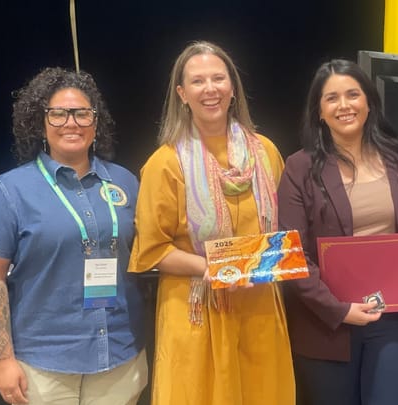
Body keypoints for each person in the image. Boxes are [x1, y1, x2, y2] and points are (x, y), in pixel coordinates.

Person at [128, 41, 294, 404]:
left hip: (259, 306)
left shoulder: (266, 152)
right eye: (198, 81)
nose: (210, 89)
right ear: (182, 94)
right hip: (197, 311)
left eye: (218, 78)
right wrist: (213, 268)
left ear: (233, 88)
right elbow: (152, 250)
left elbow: (281, 234)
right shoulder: (165, 163)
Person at [0, 67, 147, 405]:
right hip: (44, 364)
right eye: (58, 114)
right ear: (41, 123)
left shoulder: (126, 183)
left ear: (96, 123)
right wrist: (4, 360)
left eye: (82, 113)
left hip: (119, 355)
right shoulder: (10, 190)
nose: (72, 123)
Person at [277, 59, 398, 405]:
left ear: (369, 101)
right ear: (318, 110)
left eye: (352, 94)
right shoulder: (298, 168)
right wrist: (337, 308)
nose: (344, 105)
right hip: (327, 324)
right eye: (331, 98)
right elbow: (291, 254)